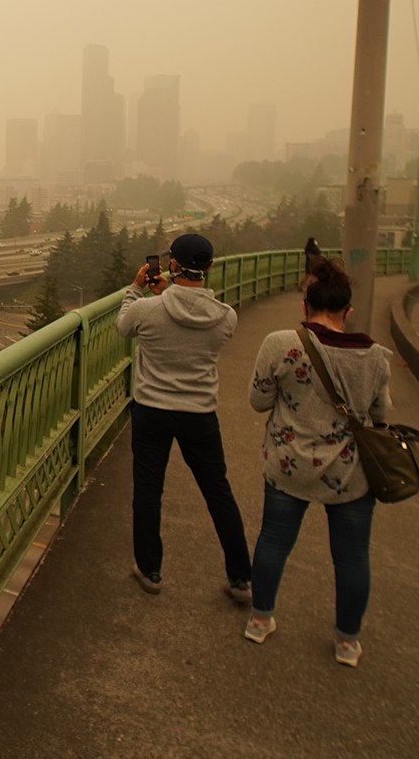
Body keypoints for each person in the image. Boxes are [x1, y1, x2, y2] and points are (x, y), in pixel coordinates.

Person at [243, 256, 390, 667]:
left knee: (274, 541)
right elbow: (381, 416)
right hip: (350, 471)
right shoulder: (376, 356)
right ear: (348, 311)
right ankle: (347, 643)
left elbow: (258, 401)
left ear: (305, 308)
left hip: (289, 465)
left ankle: (260, 619)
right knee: (352, 555)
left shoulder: (280, 343)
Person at [116, 233, 252, 603]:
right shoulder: (227, 318)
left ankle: (150, 570)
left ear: (171, 265)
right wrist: (169, 296)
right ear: (209, 267)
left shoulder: (148, 309)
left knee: (148, 490)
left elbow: (124, 326)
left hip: (152, 411)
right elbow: (188, 319)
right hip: (199, 414)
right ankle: (241, 577)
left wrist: (137, 288)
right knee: (218, 491)